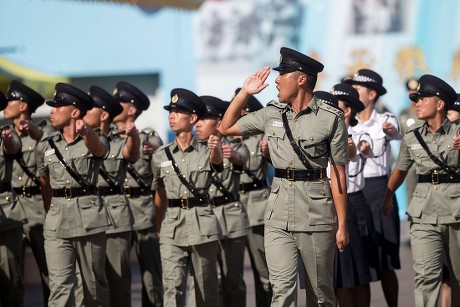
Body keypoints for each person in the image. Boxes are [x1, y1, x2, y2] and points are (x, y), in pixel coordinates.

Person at [219, 47, 349, 306]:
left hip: (316, 216)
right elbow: (226, 127)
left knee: (321, 294)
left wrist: (342, 223)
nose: (276, 79)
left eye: (283, 74)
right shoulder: (271, 113)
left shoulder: (331, 118)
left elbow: (338, 174)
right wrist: (245, 92)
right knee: (282, 290)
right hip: (277, 216)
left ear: (301, 79)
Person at [381, 74, 460, 307]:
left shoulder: (458, 131)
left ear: (440, 104)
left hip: (456, 212)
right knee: (426, 277)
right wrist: (387, 198)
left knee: (457, 277)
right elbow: (400, 170)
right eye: (416, 99)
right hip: (423, 213)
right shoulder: (412, 135)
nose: (417, 103)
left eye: (423, 99)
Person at [36, 83, 110, 307]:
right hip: (57, 223)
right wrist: (51, 213)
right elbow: (44, 182)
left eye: (58, 106)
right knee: (59, 286)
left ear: (75, 112)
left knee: (93, 287)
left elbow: (100, 150)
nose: (52, 110)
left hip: (88, 220)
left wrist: (86, 132)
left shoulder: (95, 137)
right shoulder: (46, 146)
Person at [152, 88, 223, 307]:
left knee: (205, 290)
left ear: (192, 118)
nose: (171, 116)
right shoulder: (160, 155)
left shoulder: (207, 150)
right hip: (172, 228)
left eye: (178, 111)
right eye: (170, 111)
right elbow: (160, 193)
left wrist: (216, 148)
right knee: (172, 287)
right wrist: (157, 226)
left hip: (202, 225)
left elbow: (218, 163)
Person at [345, 68, 402, 307]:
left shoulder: (385, 120)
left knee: (386, 263)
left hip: (379, 192)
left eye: (358, 89)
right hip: (355, 194)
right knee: (362, 262)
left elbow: (396, 132)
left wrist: (390, 130)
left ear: (372, 94)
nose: (353, 93)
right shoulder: (346, 122)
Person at [86, 85, 140, 307]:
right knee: (92, 285)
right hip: (87, 216)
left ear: (104, 115)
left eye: (90, 108)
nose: (84, 111)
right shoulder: (76, 145)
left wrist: (134, 137)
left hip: (114, 218)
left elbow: (132, 154)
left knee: (118, 285)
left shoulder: (119, 143)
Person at [328, 84, 381, 307]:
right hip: (329, 204)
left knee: (359, 273)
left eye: (334, 106)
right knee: (339, 274)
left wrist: (350, 146)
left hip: (353, 203)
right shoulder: (324, 132)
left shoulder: (359, 133)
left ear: (347, 110)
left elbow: (355, 149)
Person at [112, 81, 163, 307]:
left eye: (118, 102)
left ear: (131, 110)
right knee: (118, 278)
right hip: (115, 213)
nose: (112, 106)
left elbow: (160, 173)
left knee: (151, 277)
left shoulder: (148, 138)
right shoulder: (106, 138)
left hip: (143, 212)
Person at [196, 95, 250, 307]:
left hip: (230, 219)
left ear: (218, 123)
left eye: (203, 119)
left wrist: (234, 156)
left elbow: (241, 158)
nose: (197, 123)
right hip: (204, 217)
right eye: (197, 119)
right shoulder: (194, 150)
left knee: (232, 280)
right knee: (211, 280)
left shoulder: (234, 146)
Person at [3, 80, 51, 306]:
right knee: (13, 275)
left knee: (49, 273)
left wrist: (33, 131)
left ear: (23, 106)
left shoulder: (42, 132)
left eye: (11, 100)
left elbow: (50, 145)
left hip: (37, 207)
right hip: (12, 206)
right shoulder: (5, 135)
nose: (6, 103)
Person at [233, 88, 273, 307]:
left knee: (263, 272)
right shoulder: (225, 139)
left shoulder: (261, 138)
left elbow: (277, 161)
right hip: (232, 209)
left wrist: (268, 152)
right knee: (232, 272)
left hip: (257, 209)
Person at [0, 89, 27, 306]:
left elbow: (14, 148)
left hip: (5, 216)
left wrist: (8, 140)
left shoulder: (6, 134)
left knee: (11, 279)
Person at [398, 77, 423, 211]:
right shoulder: (403, 113)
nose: (412, 94)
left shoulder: (424, 113)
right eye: (410, 91)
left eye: (415, 91)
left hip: (424, 159)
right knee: (411, 196)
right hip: (409, 160)